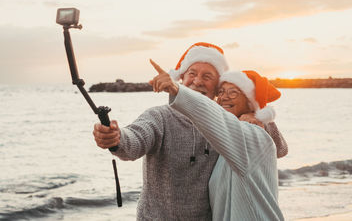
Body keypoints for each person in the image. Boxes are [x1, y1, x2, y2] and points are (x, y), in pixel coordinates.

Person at [93, 42, 283, 220]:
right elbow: (134, 141)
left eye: (207, 76)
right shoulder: (160, 117)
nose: (197, 81)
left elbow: (278, 148)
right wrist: (117, 138)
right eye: (191, 73)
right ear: (181, 78)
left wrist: (260, 118)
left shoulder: (232, 124)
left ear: (217, 88)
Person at [149, 60, 285, 220]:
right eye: (221, 92)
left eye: (233, 92)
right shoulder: (228, 143)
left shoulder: (253, 137)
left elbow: (209, 115)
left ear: (250, 102)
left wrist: (177, 90)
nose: (224, 98)